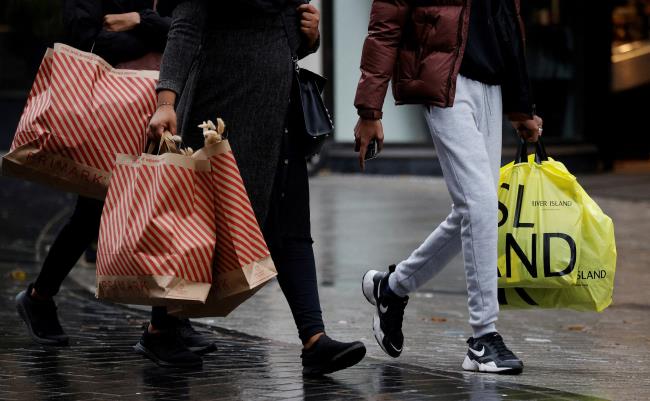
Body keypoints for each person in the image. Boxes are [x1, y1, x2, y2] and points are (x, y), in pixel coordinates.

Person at [145, 0, 367, 374]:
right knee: (199, 224)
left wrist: (308, 36)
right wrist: (167, 100)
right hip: (223, 110)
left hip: (278, 109)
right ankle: (160, 327)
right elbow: (185, 27)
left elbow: (286, 30)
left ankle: (314, 338)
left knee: (291, 223)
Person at [15, 0, 216, 358]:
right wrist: (156, 34)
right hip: (113, 113)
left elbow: (186, 30)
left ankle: (168, 321)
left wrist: (140, 21)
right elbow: (94, 39)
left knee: (167, 206)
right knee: (90, 213)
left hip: (168, 105)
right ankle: (39, 297)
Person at [355, 0, 543, 374]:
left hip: (491, 87)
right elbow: (385, 26)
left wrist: (521, 107)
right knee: (480, 207)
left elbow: (507, 20)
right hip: (444, 84)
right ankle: (483, 338)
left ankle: (391, 288)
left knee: (474, 211)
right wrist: (368, 110)